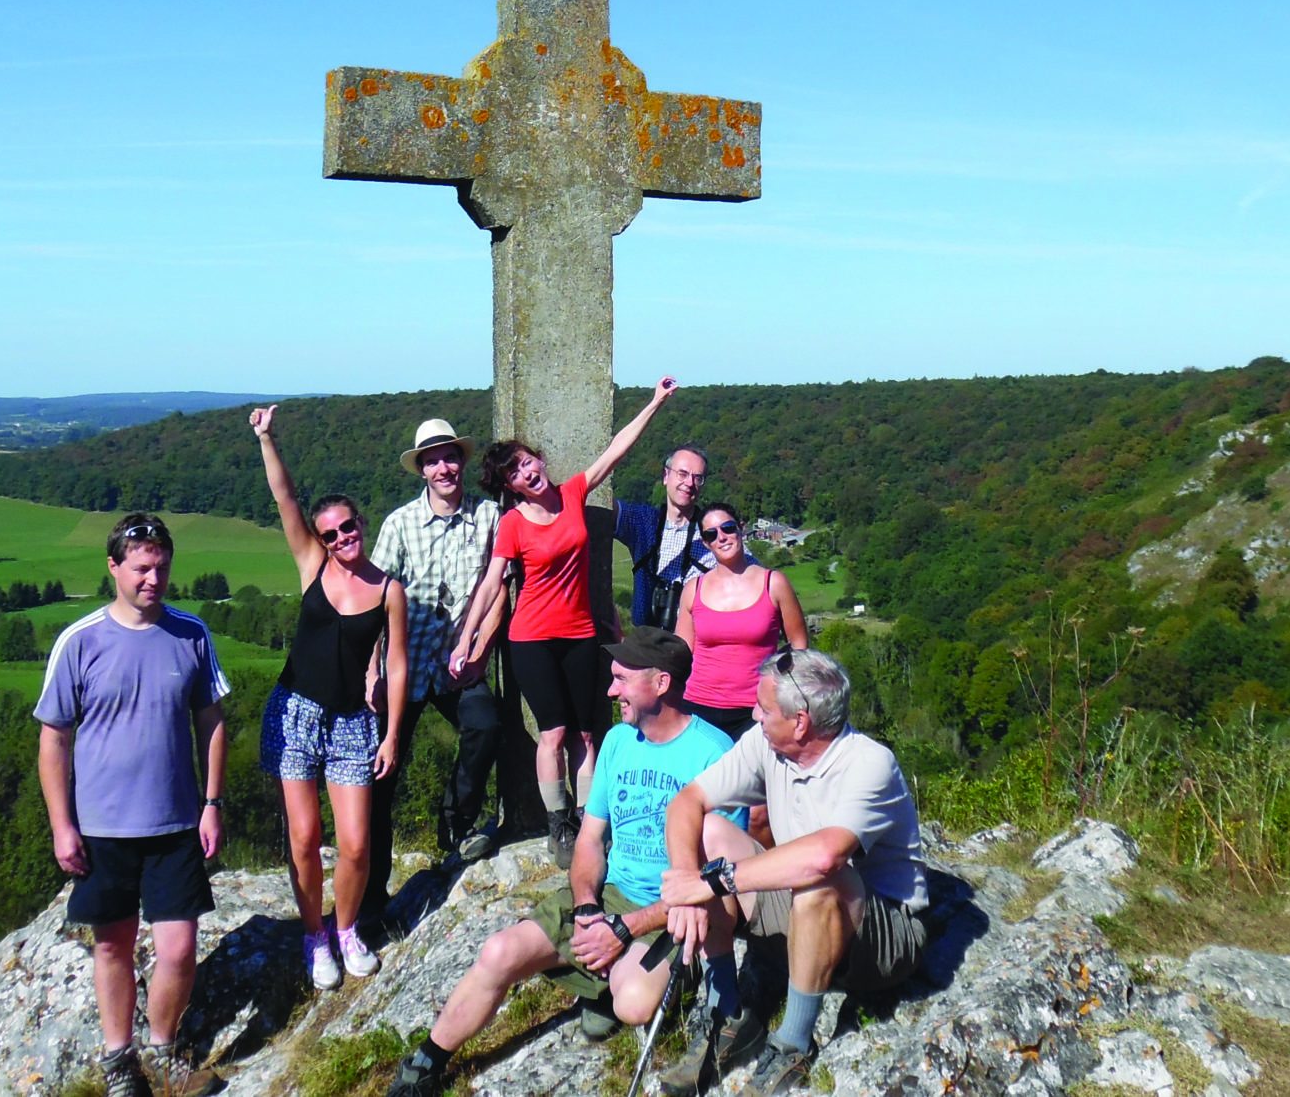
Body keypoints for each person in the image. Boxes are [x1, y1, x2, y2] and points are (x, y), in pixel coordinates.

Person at [383, 628, 757, 1097]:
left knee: (635, 1004)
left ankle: (613, 983)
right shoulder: (619, 742)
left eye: (622, 679)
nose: (610, 689)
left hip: (672, 910)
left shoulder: (715, 754)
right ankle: (427, 1062)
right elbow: (590, 840)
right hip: (610, 895)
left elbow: (713, 880)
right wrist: (585, 908)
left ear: (661, 684)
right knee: (499, 952)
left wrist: (625, 929)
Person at [656, 649, 929, 1097]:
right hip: (806, 906)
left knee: (821, 879)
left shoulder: (868, 764)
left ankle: (794, 1045)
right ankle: (728, 1012)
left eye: (763, 709)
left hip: (882, 935)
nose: (753, 715)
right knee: (711, 832)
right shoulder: (766, 745)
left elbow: (824, 857)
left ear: (800, 721)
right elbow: (688, 803)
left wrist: (715, 882)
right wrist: (688, 879)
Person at [35, 513, 231, 1097]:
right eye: (141, 568)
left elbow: (212, 722)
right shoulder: (80, 640)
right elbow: (54, 738)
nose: (153, 579)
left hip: (175, 822)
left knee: (178, 946)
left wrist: (212, 802)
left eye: (162, 567)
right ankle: (119, 1062)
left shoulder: (192, 634)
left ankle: (163, 1049)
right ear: (114, 567)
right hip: (103, 827)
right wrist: (61, 825)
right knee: (114, 944)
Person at [451, 375, 679, 866]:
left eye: (527, 461)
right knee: (552, 734)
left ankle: (587, 821)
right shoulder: (512, 524)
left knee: (586, 736)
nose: (526, 472)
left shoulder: (574, 492)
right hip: (531, 639)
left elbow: (617, 449)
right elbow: (491, 585)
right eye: (514, 472)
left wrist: (655, 402)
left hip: (580, 635)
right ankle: (558, 825)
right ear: (510, 486)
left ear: (540, 460)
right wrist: (465, 640)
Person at [249, 405, 410, 990]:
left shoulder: (389, 589)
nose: (343, 538)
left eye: (349, 527)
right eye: (332, 532)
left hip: (352, 723)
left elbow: (396, 663)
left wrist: (391, 733)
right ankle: (314, 935)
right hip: (295, 713)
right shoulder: (313, 566)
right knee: (304, 838)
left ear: (361, 524)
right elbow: (286, 499)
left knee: (358, 844)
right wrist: (268, 439)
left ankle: (346, 930)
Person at [363, 416, 508, 914]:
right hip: (405, 664)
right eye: (432, 461)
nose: (444, 467)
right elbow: (374, 600)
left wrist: (481, 651)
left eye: (450, 457)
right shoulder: (400, 525)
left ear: (461, 462)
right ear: (421, 470)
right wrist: (373, 671)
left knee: (487, 726)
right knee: (382, 774)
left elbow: (500, 588)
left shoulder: (489, 517)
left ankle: (455, 822)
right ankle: (371, 896)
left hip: (457, 660)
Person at [674, 504, 810, 741]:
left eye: (727, 528)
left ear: (741, 529)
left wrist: (789, 696)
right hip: (699, 707)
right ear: (705, 543)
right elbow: (681, 653)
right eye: (711, 534)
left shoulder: (774, 583)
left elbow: (799, 645)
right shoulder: (693, 589)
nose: (722, 537)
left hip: (757, 709)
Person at [613, 443, 717, 630]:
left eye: (697, 478)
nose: (689, 483)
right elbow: (602, 505)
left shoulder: (713, 531)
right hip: (647, 641)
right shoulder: (644, 522)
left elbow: (755, 576)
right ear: (665, 476)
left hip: (696, 646)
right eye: (682, 474)